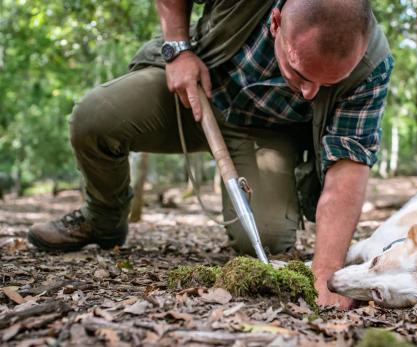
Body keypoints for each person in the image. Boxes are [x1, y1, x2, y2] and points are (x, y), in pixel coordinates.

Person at [28, 0, 393, 309]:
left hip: (266, 134)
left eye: (327, 84)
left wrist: (326, 273)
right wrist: (177, 48)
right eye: (300, 73)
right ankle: (103, 219)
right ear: (277, 21)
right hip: (198, 87)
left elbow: (347, 170)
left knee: (264, 240)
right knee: (96, 118)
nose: (311, 93)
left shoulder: (372, 66)